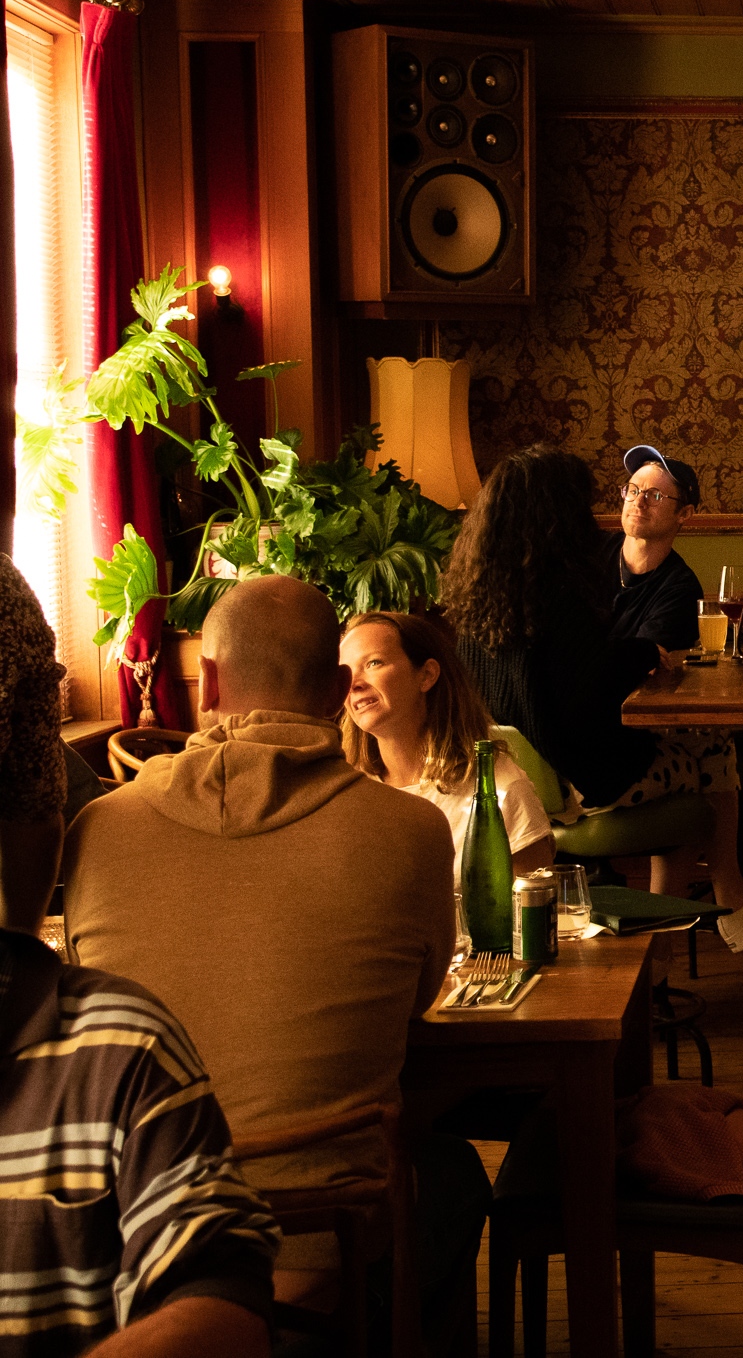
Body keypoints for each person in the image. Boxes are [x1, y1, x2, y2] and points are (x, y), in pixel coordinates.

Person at [63, 575, 484, 1323]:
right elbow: (420, 1000)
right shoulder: (411, 831)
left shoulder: (97, 831)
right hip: (324, 1242)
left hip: (134, 1240)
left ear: (209, 682)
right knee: (451, 1170)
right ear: (338, 691)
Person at [0, 556, 278, 1358]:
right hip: (318, 1201)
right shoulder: (112, 1050)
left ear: (209, 683)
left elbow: (221, 1300)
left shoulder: (109, 1052)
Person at [442, 446, 743, 951]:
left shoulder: (479, 593)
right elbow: (590, 696)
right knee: (708, 748)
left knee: (691, 751)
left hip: (517, 783)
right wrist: (637, 656)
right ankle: (715, 906)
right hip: (581, 785)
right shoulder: (559, 597)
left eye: (655, 495)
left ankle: (682, 927)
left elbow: (575, 671)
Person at [341, 610, 556, 878]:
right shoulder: (347, 791)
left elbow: (536, 902)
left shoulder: (499, 789)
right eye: (345, 672)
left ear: (427, 675)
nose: (354, 684)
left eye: (374, 663)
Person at [609, 444, 708, 653]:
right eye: (633, 490)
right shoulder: (587, 551)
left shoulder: (681, 590)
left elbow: (638, 662)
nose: (638, 502)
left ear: (684, 513)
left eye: (654, 496)